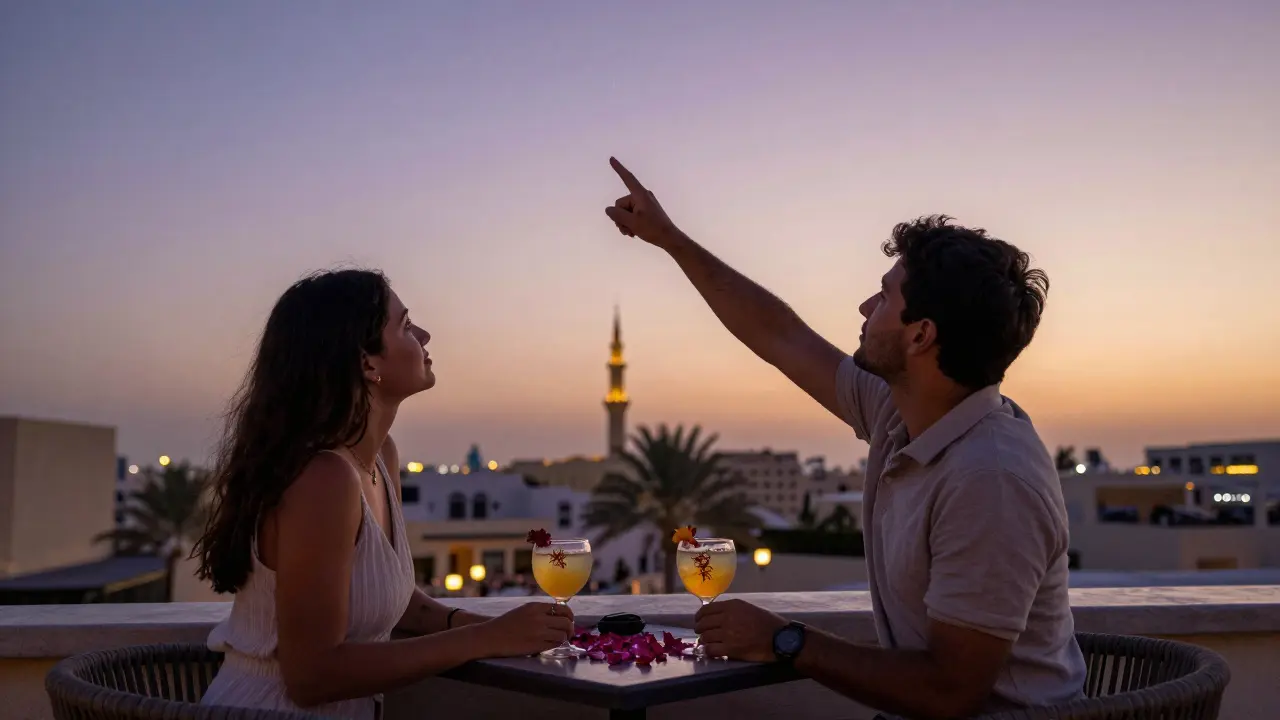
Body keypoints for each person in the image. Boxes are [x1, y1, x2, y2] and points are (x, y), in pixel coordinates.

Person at [604, 159, 1086, 719]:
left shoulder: (990, 480)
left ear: (921, 335)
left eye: (883, 298)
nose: (863, 308)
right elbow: (780, 333)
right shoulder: (901, 413)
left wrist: (787, 641)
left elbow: (950, 692)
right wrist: (669, 239)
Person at [192, 269, 574, 719]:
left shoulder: (378, 458)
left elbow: (382, 592)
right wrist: (483, 640)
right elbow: (311, 676)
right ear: (368, 363)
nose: (426, 335)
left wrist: (482, 624)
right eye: (407, 326)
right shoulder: (323, 478)